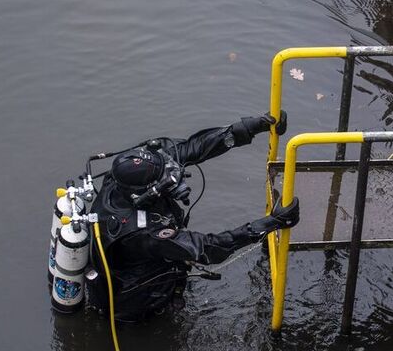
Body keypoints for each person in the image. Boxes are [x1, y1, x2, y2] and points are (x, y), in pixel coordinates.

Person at [86, 112, 300, 322]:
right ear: (145, 192)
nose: (171, 175)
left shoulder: (120, 179)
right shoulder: (143, 232)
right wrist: (271, 223)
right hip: (135, 300)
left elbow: (192, 148)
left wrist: (248, 128)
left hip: (138, 262)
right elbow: (208, 248)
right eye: (163, 179)